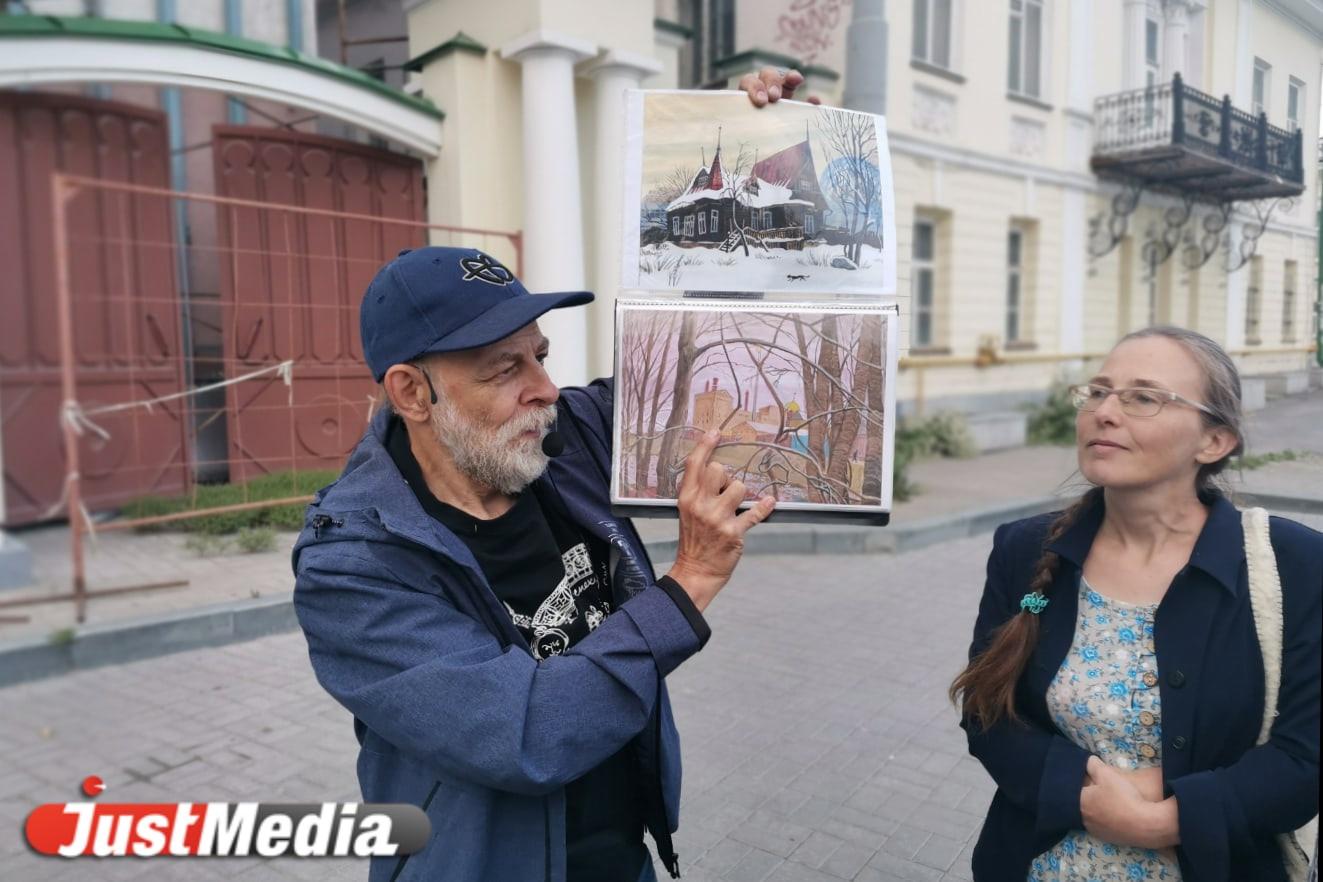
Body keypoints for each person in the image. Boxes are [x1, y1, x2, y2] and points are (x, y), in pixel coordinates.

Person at [293, 71, 810, 882]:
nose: (542, 387)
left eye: (540, 354)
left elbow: (701, 342)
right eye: (503, 368)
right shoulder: (352, 568)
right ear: (411, 392)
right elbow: (526, 735)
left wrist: (738, 132)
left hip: (620, 856)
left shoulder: (559, 441)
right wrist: (692, 580)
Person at [949, 326, 1321, 881]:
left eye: (1143, 397)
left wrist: (1166, 818)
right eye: (1098, 392)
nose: (1105, 411)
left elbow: (1304, 757)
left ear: (1214, 441)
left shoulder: (1293, 565)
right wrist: (1082, 793)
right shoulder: (1028, 552)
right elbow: (987, 712)